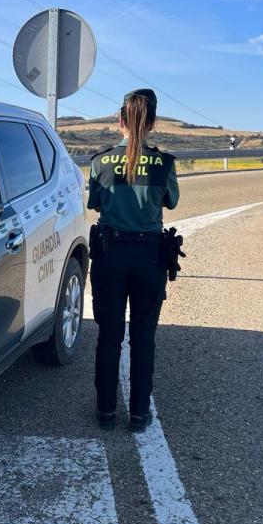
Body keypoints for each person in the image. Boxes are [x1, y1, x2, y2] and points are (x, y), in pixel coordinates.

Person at [87, 88, 179, 432]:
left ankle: (105, 412)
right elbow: (171, 202)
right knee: (143, 337)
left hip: (110, 256)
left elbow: (95, 204)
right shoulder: (164, 163)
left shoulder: (100, 161)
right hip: (149, 257)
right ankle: (139, 414)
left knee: (109, 336)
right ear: (152, 122)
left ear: (120, 120)